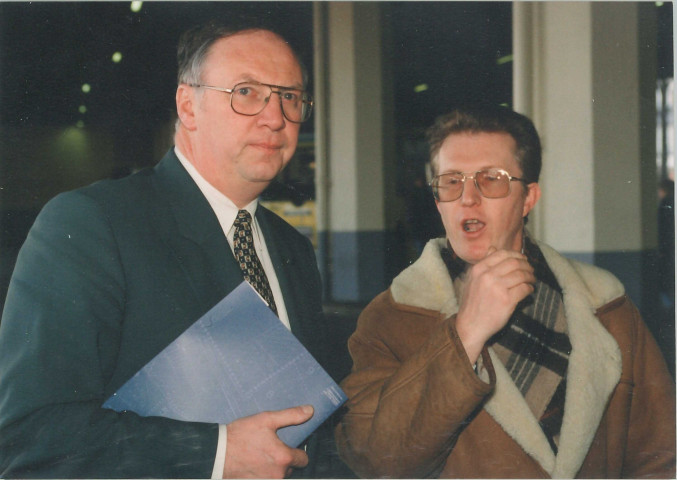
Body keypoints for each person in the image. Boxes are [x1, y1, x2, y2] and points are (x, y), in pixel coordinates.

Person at [0, 21, 329, 479]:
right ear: (188, 106)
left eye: (290, 97)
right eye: (247, 92)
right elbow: (30, 435)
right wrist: (215, 454)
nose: (275, 117)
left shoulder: (292, 248)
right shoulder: (93, 224)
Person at [335, 106, 675, 478]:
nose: (467, 198)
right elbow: (373, 459)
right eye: (451, 181)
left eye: (491, 179)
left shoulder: (607, 307)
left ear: (528, 198)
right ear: (437, 200)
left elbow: (659, 457)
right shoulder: (392, 317)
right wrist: (464, 335)